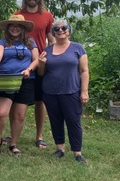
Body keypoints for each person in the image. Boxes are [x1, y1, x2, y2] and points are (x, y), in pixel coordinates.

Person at [37, 19, 89, 164]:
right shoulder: (47, 50)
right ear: (53, 33)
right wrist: (41, 64)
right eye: (56, 29)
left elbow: (84, 71)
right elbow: (41, 73)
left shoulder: (78, 48)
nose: (60, 31)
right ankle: (60, 149)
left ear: (69, 31)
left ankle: (77, 153)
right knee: (55, 121)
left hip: (71, 91)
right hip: (50, 92)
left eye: (63, 28)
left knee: (73, 121)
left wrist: (84, 91)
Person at [0, 15, 39, 156]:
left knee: (20, 115)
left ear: (23, 28)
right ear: (8, 28)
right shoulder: (2, 42)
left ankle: (13, 144)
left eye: (18, 25)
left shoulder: (30, 43)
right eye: (12, 25)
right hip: (6, 79)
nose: (15, 28)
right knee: (2, 113)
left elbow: (37, 60)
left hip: (25, 80)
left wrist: (29, 69)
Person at [14, 0, 55, 149]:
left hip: (40, 62)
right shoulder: (18, 14)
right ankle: (12, 133)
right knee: (15, 99)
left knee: (40, 100)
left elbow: (51, 39)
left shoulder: (47, 16)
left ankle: (39, 136)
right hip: (19, 62)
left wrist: (51, 57)